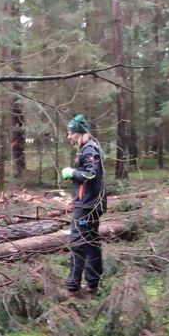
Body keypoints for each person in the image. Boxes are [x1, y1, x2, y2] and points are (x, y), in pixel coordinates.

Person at [60, 114, 107, 296]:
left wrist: (72, 173)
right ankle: (93, 284)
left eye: (70, 133)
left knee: (78, 243)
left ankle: (73, 287)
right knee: (91, 243)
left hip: (88, 207)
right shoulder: (86, 148)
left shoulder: (90, 150)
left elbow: (90, 175)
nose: (69, 136)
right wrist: (76, 200)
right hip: (88, 203)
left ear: (79, 133)